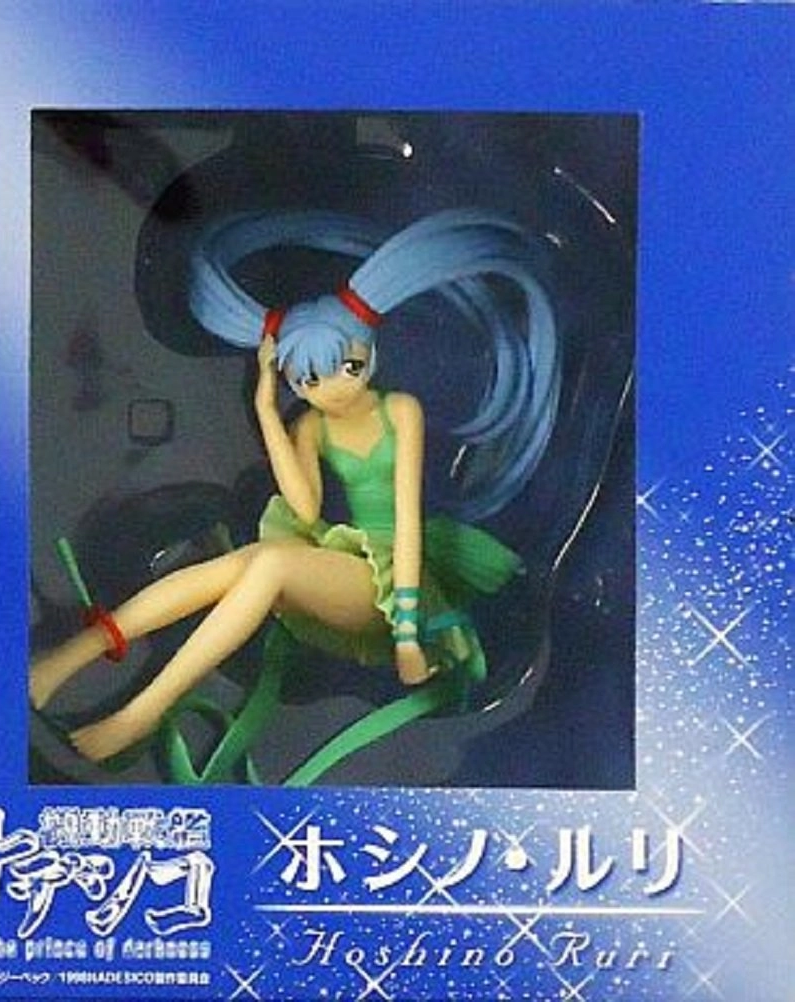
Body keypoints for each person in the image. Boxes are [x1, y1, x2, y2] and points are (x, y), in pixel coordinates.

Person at [29, 208, 559, 764]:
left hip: (395, 592)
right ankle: (64, 662)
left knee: (267, 564)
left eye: (345, 367)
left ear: (368, 354)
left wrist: (407, 633)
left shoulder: (399, 411)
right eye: (308, 380)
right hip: (343, 564)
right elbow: (304, 509)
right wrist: (265, 409)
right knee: (233, 568)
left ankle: (138, 716)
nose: (332, 389)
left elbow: (406, 523)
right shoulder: (311, 427)